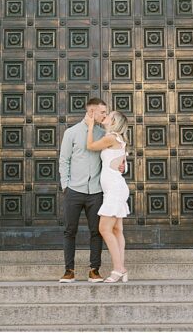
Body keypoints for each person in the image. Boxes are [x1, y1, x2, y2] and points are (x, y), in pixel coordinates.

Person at [57, 97, 126, 283]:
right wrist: (66, 185)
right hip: (74, 190)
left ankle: (94, 270)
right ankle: (69, 270)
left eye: (106, 113)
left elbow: (116, 153)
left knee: (96, 231)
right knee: (69, 230)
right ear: (91, 112)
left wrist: (123, 167)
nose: (105, 115)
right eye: (102, 112)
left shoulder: (104, 133)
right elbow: (64, 160)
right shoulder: (71, 133)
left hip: (96, 191)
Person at [86, 109, 131, 283]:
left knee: (104, 229)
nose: (105, 116)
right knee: (117, 230)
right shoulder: (118, 138)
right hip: (115, 187)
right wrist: (123, 167)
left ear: (113, 122)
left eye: (109, 116)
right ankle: (122, 268)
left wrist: (90, 127)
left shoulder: (111, 137)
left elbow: (90, 146)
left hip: (114, 188)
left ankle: (118, 268)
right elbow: (121, 163)